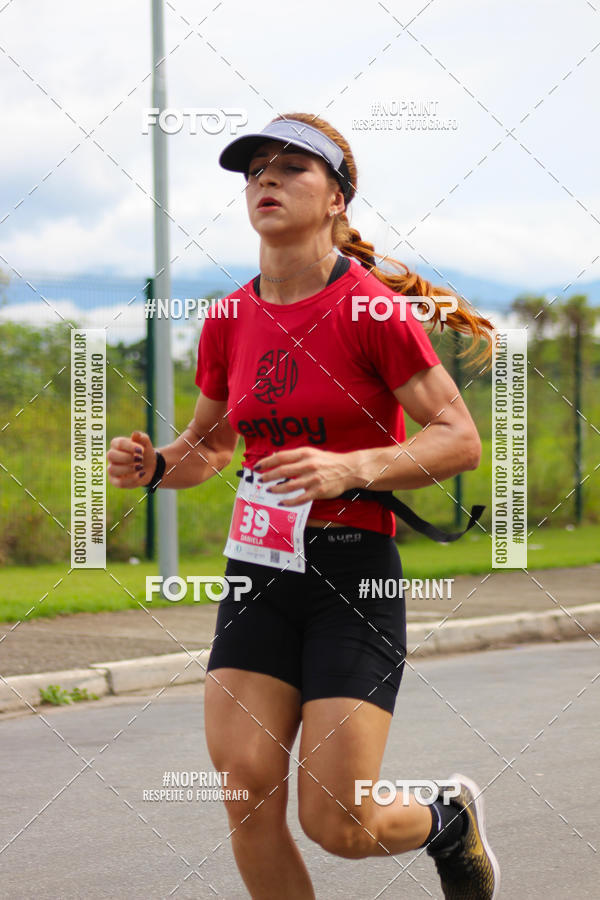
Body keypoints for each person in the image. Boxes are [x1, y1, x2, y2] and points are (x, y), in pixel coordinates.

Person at [107, 113, 500, 899]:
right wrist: (155, 466)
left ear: (337, 201)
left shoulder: (372, 313)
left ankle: (447, 819)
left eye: (293, 169)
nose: (267, 181)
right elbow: (211, 448)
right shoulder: (227, 318)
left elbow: (458, 438)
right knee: (247, 790)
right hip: (259, 571)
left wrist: (350, 465)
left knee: (337, 821)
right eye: (256, 171)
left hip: (354, 577)